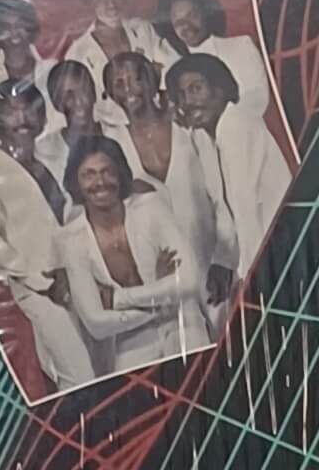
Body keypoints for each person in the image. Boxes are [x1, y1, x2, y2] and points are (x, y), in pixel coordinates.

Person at [0, 79, 96, 393]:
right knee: (80, 375)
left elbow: (72, 218)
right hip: (41, 289)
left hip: (80, 279)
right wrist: (39, 280)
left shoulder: (50, 159)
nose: (22, 118)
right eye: (12, 111)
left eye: (29, 109)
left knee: (99, 371)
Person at [104, 51, 237, 332]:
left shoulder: (189, 129)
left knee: (235, 337)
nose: (129, 89)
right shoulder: (112, 144)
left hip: (212, 262)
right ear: (111, 94)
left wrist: (224, 259)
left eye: (136, 78)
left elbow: (220, 197)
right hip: (167, 275)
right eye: (119, 83)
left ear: (152, 81)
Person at [56, 135, 211, 373]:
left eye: (107, 171)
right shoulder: (71, 240)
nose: (100, 182)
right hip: (131, 344)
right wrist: (161, 296)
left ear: (120, 173)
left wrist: (118, 299)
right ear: (75, 182)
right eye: (89, 174)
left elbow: (189, 280)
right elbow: (96, 324)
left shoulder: (151, 207)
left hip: (183, 323)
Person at [168, 53, 291, 274]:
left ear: (220, 89)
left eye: (196, 89)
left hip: (281, 252)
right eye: (180, 95)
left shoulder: (238, 126)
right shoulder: (210, 134)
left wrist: (250, 275)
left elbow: (247, 209)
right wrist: (223, 262)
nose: (187, 102)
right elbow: (224, 205)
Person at [64, 0, 177, 129]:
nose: (111, 4)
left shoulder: (142, 29)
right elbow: (81, 106)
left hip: (157, 119)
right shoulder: (78, 52)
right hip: (111, 130)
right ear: (90, 1)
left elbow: (171, 69)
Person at [156, 0, 272, 120]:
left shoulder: (240, 46)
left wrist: (227, 124)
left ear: (205, 13)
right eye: (178, 22)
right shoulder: (171, 62)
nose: (186, 26)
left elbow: (257, 96)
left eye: (192, 15)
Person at [0, 0, 64, 148]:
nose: (14, 32)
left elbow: (60, 120)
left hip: (54, 152)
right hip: (7, 154)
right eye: (6, 27)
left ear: (31, 28)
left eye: (20, 25)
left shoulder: (52, 69)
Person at [40, 59, 101, 191]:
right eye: (69, 95)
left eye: (83, 90)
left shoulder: (120, 135)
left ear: (94, 92)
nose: (79, 101)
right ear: (56, 103)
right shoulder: (45, 151)